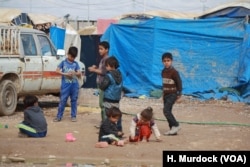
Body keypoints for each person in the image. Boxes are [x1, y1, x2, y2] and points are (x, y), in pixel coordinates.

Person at [53, 46, 81, 122]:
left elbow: (79, 73)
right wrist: (65, 74)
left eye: (74, 57)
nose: (72, 58)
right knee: (63, 100)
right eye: (71, 56)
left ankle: (73, 116)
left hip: (74, 85)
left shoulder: (76, 64)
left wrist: (74, 73)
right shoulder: (63, 63)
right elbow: (57, 71)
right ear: (68, 54)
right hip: (65, 85)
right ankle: (59, 116)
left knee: (74, 100)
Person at [88, 41, 109, 127]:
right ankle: (103, 122)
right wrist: (96, 67)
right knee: (102, 104)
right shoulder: (102, 59)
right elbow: (101, 69)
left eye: (101, 49)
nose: (99, 51)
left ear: (106, 49)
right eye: (99, 49)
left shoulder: (106, 59)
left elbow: (104, 72)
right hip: (100, 84)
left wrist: (94, 70)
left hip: (103, 85)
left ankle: (105, 124)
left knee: (103, 104)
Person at [99, 56, 123, 131]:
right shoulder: (120, 75)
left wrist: (100, 85)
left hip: (108, 99)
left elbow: (103, 86)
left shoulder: (108, 76)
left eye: (106, 65)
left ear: (111, 65)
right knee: (116, 115)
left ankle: (106, 130)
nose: (106, 67)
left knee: (108, 116)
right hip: (116, 100)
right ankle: (119, 130)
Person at [161, 52, 182, 135]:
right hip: (166, 94)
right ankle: (172, 130)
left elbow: (179, 82)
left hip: (173, 94)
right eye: (164, 61)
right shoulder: (163, 72)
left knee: (166, 110)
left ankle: (176, 125)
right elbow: (164, 84)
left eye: (168, 60)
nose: (166, 62)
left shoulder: (174, 72)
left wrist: (179, 94)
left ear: (171, 61)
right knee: (168, 111)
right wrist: (163, 94)